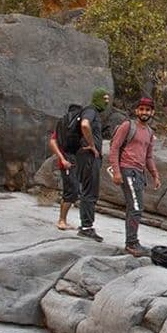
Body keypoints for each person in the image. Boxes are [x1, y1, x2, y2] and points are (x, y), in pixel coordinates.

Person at [107, 96, 161, 256]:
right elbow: (114, 148)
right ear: (137, 111)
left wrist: (155, 175)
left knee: (136, 207)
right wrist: (116, 171)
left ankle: (133, 241)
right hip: (127, 169)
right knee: (136, 207)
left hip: (139, 172)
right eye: (141, 109)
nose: (144, 112)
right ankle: (131, 243)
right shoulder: (127, 126)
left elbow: (149, 156)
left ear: (152, 112)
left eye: (147, 110)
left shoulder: (150, 132)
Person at [74, 88, 111, 242]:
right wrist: (92, 146)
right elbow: (84, 125)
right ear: (97, 98)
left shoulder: (93, 112)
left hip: (88, 156)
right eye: (105, 98)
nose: (107, 102)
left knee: (88, 190)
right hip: (89, 156)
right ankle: (86, 227)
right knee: (90, 191)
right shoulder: (90, 111)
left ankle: (85, 224)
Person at [48, 130, 76, 231]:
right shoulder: (66, 124)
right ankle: (62, 220)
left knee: (73, 191)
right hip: (67, 162)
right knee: (70, 191)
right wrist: (62, 158)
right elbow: (52, 141)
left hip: (77, 162)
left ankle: (63, 220)